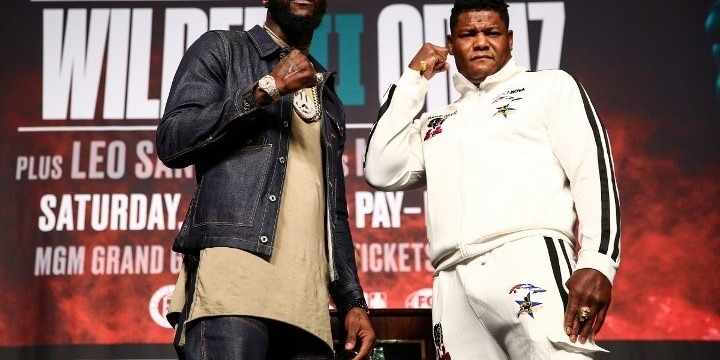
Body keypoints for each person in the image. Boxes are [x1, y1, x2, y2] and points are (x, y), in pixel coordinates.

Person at [363, 0, 621, 359]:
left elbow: (594, 174)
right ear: (451, 46)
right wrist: (415, 77)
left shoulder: (550, 87)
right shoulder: (438, 122)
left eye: (492, 32)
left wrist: (597, 262)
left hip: (529, 260)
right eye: (468, 34)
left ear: (510, 39)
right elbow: (380, 168)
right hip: (451, 284)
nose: (481, 42)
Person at [156, 0, 375, 359]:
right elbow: (173, 141)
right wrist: (266, 89)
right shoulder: (223, 49)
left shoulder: (328, 95)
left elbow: (333, 212)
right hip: (233, 284)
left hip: (307, 304)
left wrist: (352, 300)